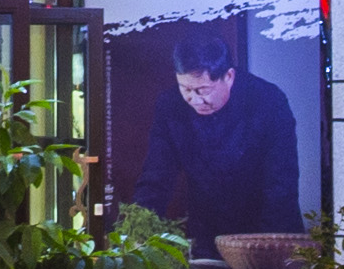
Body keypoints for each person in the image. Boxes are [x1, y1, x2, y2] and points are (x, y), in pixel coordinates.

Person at [108, 13, 306, 242]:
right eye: (186, 89)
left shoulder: (268, 101)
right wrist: (136, 232)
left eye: (203, 90)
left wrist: (265, 248)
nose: (194, 100)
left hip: (268, 230)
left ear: (229, 76)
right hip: (207, 232)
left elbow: (280, 185)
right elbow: (156, 177)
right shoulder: (170, 105)